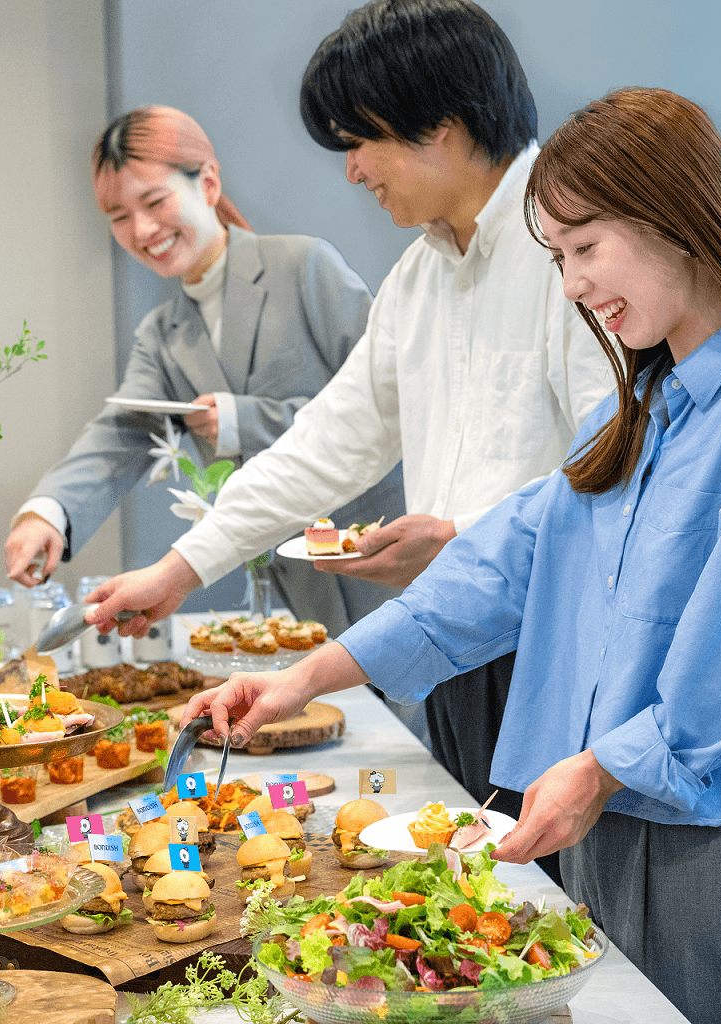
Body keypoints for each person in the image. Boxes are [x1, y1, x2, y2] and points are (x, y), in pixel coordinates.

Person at [183, 87, 721, 1024]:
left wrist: (599, 769)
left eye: (585, 248)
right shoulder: (636, 410)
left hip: (713, 835)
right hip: (603, 809)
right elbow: (498, 568)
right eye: (557, 258)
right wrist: (303, 679)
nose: (572, 287)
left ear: (677, 218)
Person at [86, 0, 613, 885]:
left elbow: (613, 470)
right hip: (448, 635)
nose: (353, 169)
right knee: (478, 897)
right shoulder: (420, 276)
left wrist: (464, 536)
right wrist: (180, 569)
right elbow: (329, 441)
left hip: (558, 648)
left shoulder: (571, 255)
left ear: (442, 126)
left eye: (360, 140)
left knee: (559, 910)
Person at [4, 105, 405, 635]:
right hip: (297, 594)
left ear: (209, 183)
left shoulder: (304, 266)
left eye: (154, 202)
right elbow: (120, 434)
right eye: (119, 217)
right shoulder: (162, 333)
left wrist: (245, 420)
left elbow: (393, 403)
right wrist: (47, 511)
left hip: (385, 563)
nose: (142, 229)